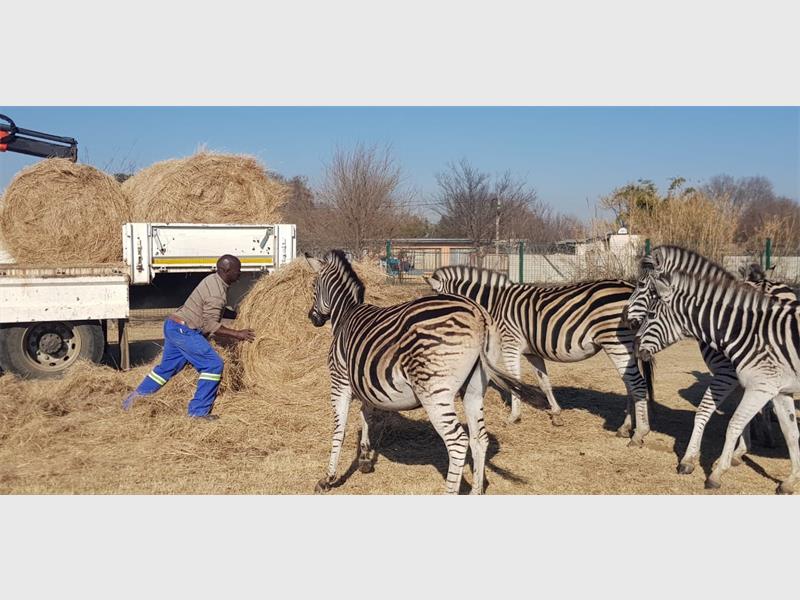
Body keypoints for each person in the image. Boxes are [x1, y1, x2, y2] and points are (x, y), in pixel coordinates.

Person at [122, 255, 256, 420]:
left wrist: (238, 315)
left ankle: (130, 403)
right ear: (226, 270)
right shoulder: (217, 292)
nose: (240, 274)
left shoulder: (213, 280)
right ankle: (197, 413)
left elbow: (214, 309)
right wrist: (238, 334)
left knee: (165, 370)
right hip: (184, 331)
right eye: (238, 270)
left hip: (174, 326)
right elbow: (210, 325)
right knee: (213, 365)